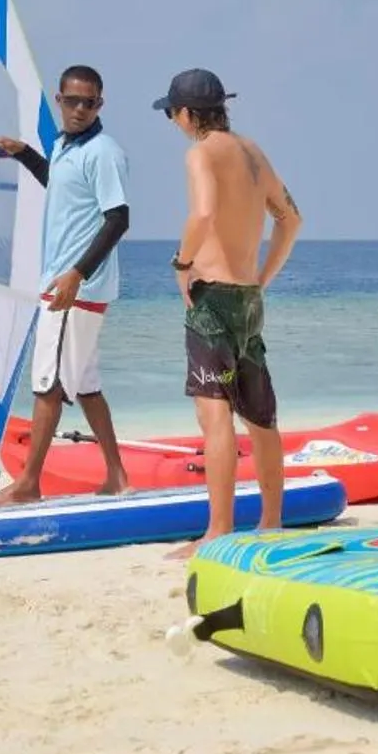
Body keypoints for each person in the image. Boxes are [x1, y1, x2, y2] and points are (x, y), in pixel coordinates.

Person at [154, 68, 302, 553]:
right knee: (260, 417)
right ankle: (272, 523)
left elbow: (203, 213)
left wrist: (181, 262)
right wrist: (262, 277)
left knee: (214, 417)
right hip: (248, 299)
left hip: (213, 301)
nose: (173, 122)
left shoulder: (200, 153)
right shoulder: (253, 151)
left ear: (188, 113)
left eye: (173, 113)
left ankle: (218, 531)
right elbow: (290, 218)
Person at [0, 65, 132, 504]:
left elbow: (118, 218)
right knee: (85, 385)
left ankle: (30, 484)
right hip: (71, 284)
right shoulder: (66, 147)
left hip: (75, 288)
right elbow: (61, 183)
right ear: (60, 100)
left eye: (90, 102)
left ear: (100, 104)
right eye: (73, 101)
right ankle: (117, 476)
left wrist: (76, 273)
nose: (81, 109)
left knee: (48, 382)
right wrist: (26, 154)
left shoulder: (104, 151)